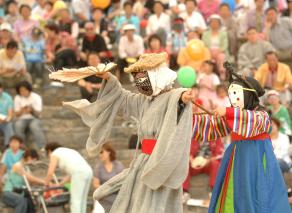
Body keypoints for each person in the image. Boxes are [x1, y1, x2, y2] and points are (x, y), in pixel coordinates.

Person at [63, 52, 194, 213]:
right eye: (138, 80)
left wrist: (183, 97)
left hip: (159, 163)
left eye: (142, 79)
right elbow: (122, 97)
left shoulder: (172, 96)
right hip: (142, 162)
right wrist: (108, 78)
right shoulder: (144, 100)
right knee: (105, 194)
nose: (140, 84)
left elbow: (179, 98)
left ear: (155, 75)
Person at [193, 63, 291, 212]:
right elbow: (211, 128)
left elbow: (254, 121)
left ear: (248, 95)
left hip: (257, 158)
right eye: (230, 94)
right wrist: (186, 110)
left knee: (257, 194)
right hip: (236, 157)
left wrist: (227, 112)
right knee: (236, 191)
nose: (232, 99)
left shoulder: (261, 115)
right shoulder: (233, 115)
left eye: (236, 94)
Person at [45, 142, 93, 213]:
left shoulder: (55, 153)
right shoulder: (67, 151)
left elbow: (50, 172)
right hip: (88, 171)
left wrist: (46, 184)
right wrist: (60, 184)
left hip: (79, 173)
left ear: (49, 150)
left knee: (75, 200)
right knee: (82, 199)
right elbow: (72, 173)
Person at [182, 138, 224, 202]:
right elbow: (186, 152)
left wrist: (208, 161)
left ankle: (213, 191)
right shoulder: (192, 136)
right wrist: (191, 160)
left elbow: (219, 154)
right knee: (185, 163)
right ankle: (184, 192)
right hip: (194, 163)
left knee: (215, 164)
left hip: (208, 163)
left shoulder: (216, 137)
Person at [92, 143, 124, 213]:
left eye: (101, 152)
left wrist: (111, 189)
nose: (100, 155)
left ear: (109, 152)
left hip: (116, 196)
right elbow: (95, 184)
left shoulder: (118, 165)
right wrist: (107, 189)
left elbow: (122, 182)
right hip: (103, 196)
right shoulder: (98, 167)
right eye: (99, 153)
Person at [14, 81, 46, 149]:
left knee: (34, 126)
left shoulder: (36, 97)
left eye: (24, 90)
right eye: (21, 91)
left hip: (35, 118)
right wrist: (22, 110)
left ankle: (42, 147)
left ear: (29, 89)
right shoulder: (17, 97)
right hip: (22, 118)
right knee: (17, 125)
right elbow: (16, 114)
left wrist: (31, 110)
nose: (23, 92)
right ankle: (21, 146)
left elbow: (39, 113)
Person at [202, 14, 228, 79]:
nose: (214, 23)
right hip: (208, 51)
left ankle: (222, 73)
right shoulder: (205, 34)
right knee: (206, 56)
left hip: (220, 51)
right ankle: (206, 74)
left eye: (216, 22)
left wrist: (218, 51)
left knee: (221, 56)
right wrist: (209, 51)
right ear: (209, 23)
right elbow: (203, 45)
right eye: (212, 22)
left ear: (219, 23)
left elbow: (225, 45)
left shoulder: (223, 33)